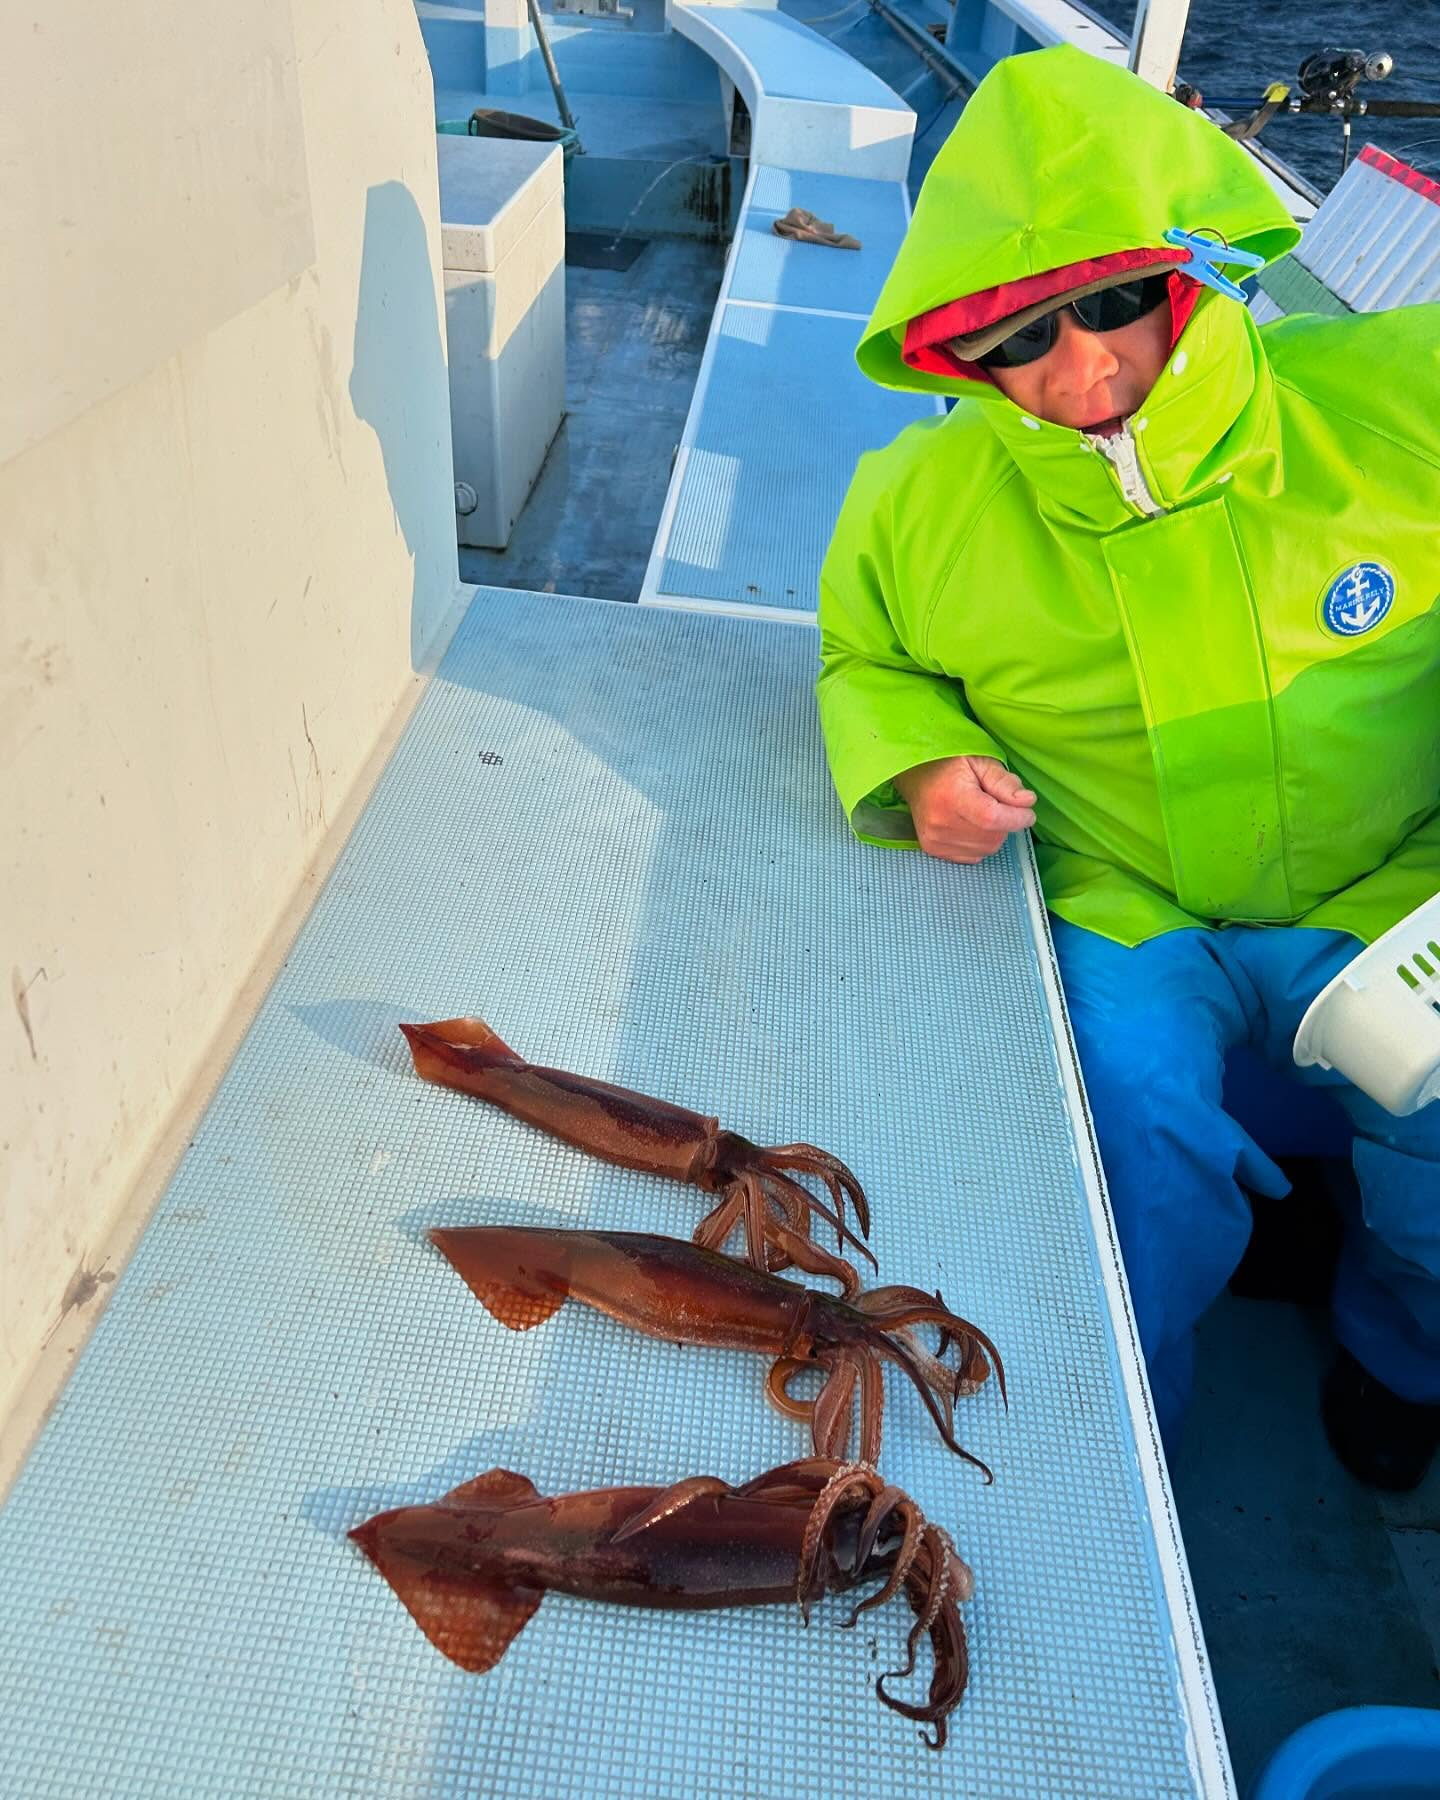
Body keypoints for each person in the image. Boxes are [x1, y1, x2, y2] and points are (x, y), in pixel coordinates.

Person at [816, 44, 1440, 1487]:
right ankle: (1127, 1425)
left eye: (1113, 305)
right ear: (952, 353)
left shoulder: (1393, 401)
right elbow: (867, 659)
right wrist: (919, 767)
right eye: (1019, 338)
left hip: (1391, 876)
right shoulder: (915, 503)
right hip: (1122, 896)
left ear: (1186, 276)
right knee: (1123, 1150)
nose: (1083, 367)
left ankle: (1404, 1357)